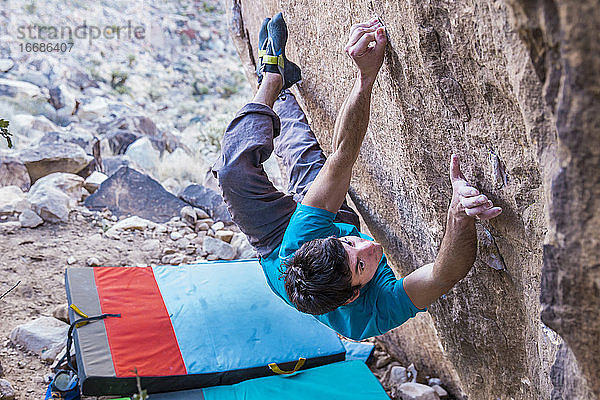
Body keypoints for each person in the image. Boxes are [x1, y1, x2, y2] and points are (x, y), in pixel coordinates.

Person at [212, 13, 502, 340]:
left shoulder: (307, 239)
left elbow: (343, 155)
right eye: (361, 266)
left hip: (275, 240)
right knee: (302, 154)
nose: (367, 246)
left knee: (233, 171)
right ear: (353, 294)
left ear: (328, 238)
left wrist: (366, 75)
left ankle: (272, 80)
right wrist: (459, 214)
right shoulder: (369, 316)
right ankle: (281, 88)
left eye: (351, 241)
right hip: (297, 246)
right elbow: (441, 275)